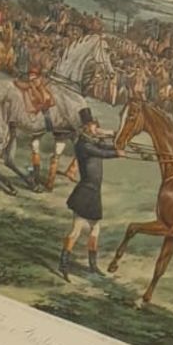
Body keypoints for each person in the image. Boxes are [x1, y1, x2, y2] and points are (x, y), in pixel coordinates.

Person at [60, 109, 118, 278]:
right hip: (85, 193)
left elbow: (107, 145)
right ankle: (63, 264)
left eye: (95, 125)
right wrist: (117, 153)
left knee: (95, 231)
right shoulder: (83, 144)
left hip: (94, 193)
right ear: (85, 128)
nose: (94, 128)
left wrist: (117, 140)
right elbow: (102, 153)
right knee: (76, 231)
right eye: (91, 126)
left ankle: (92, 266)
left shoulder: (93, 140)